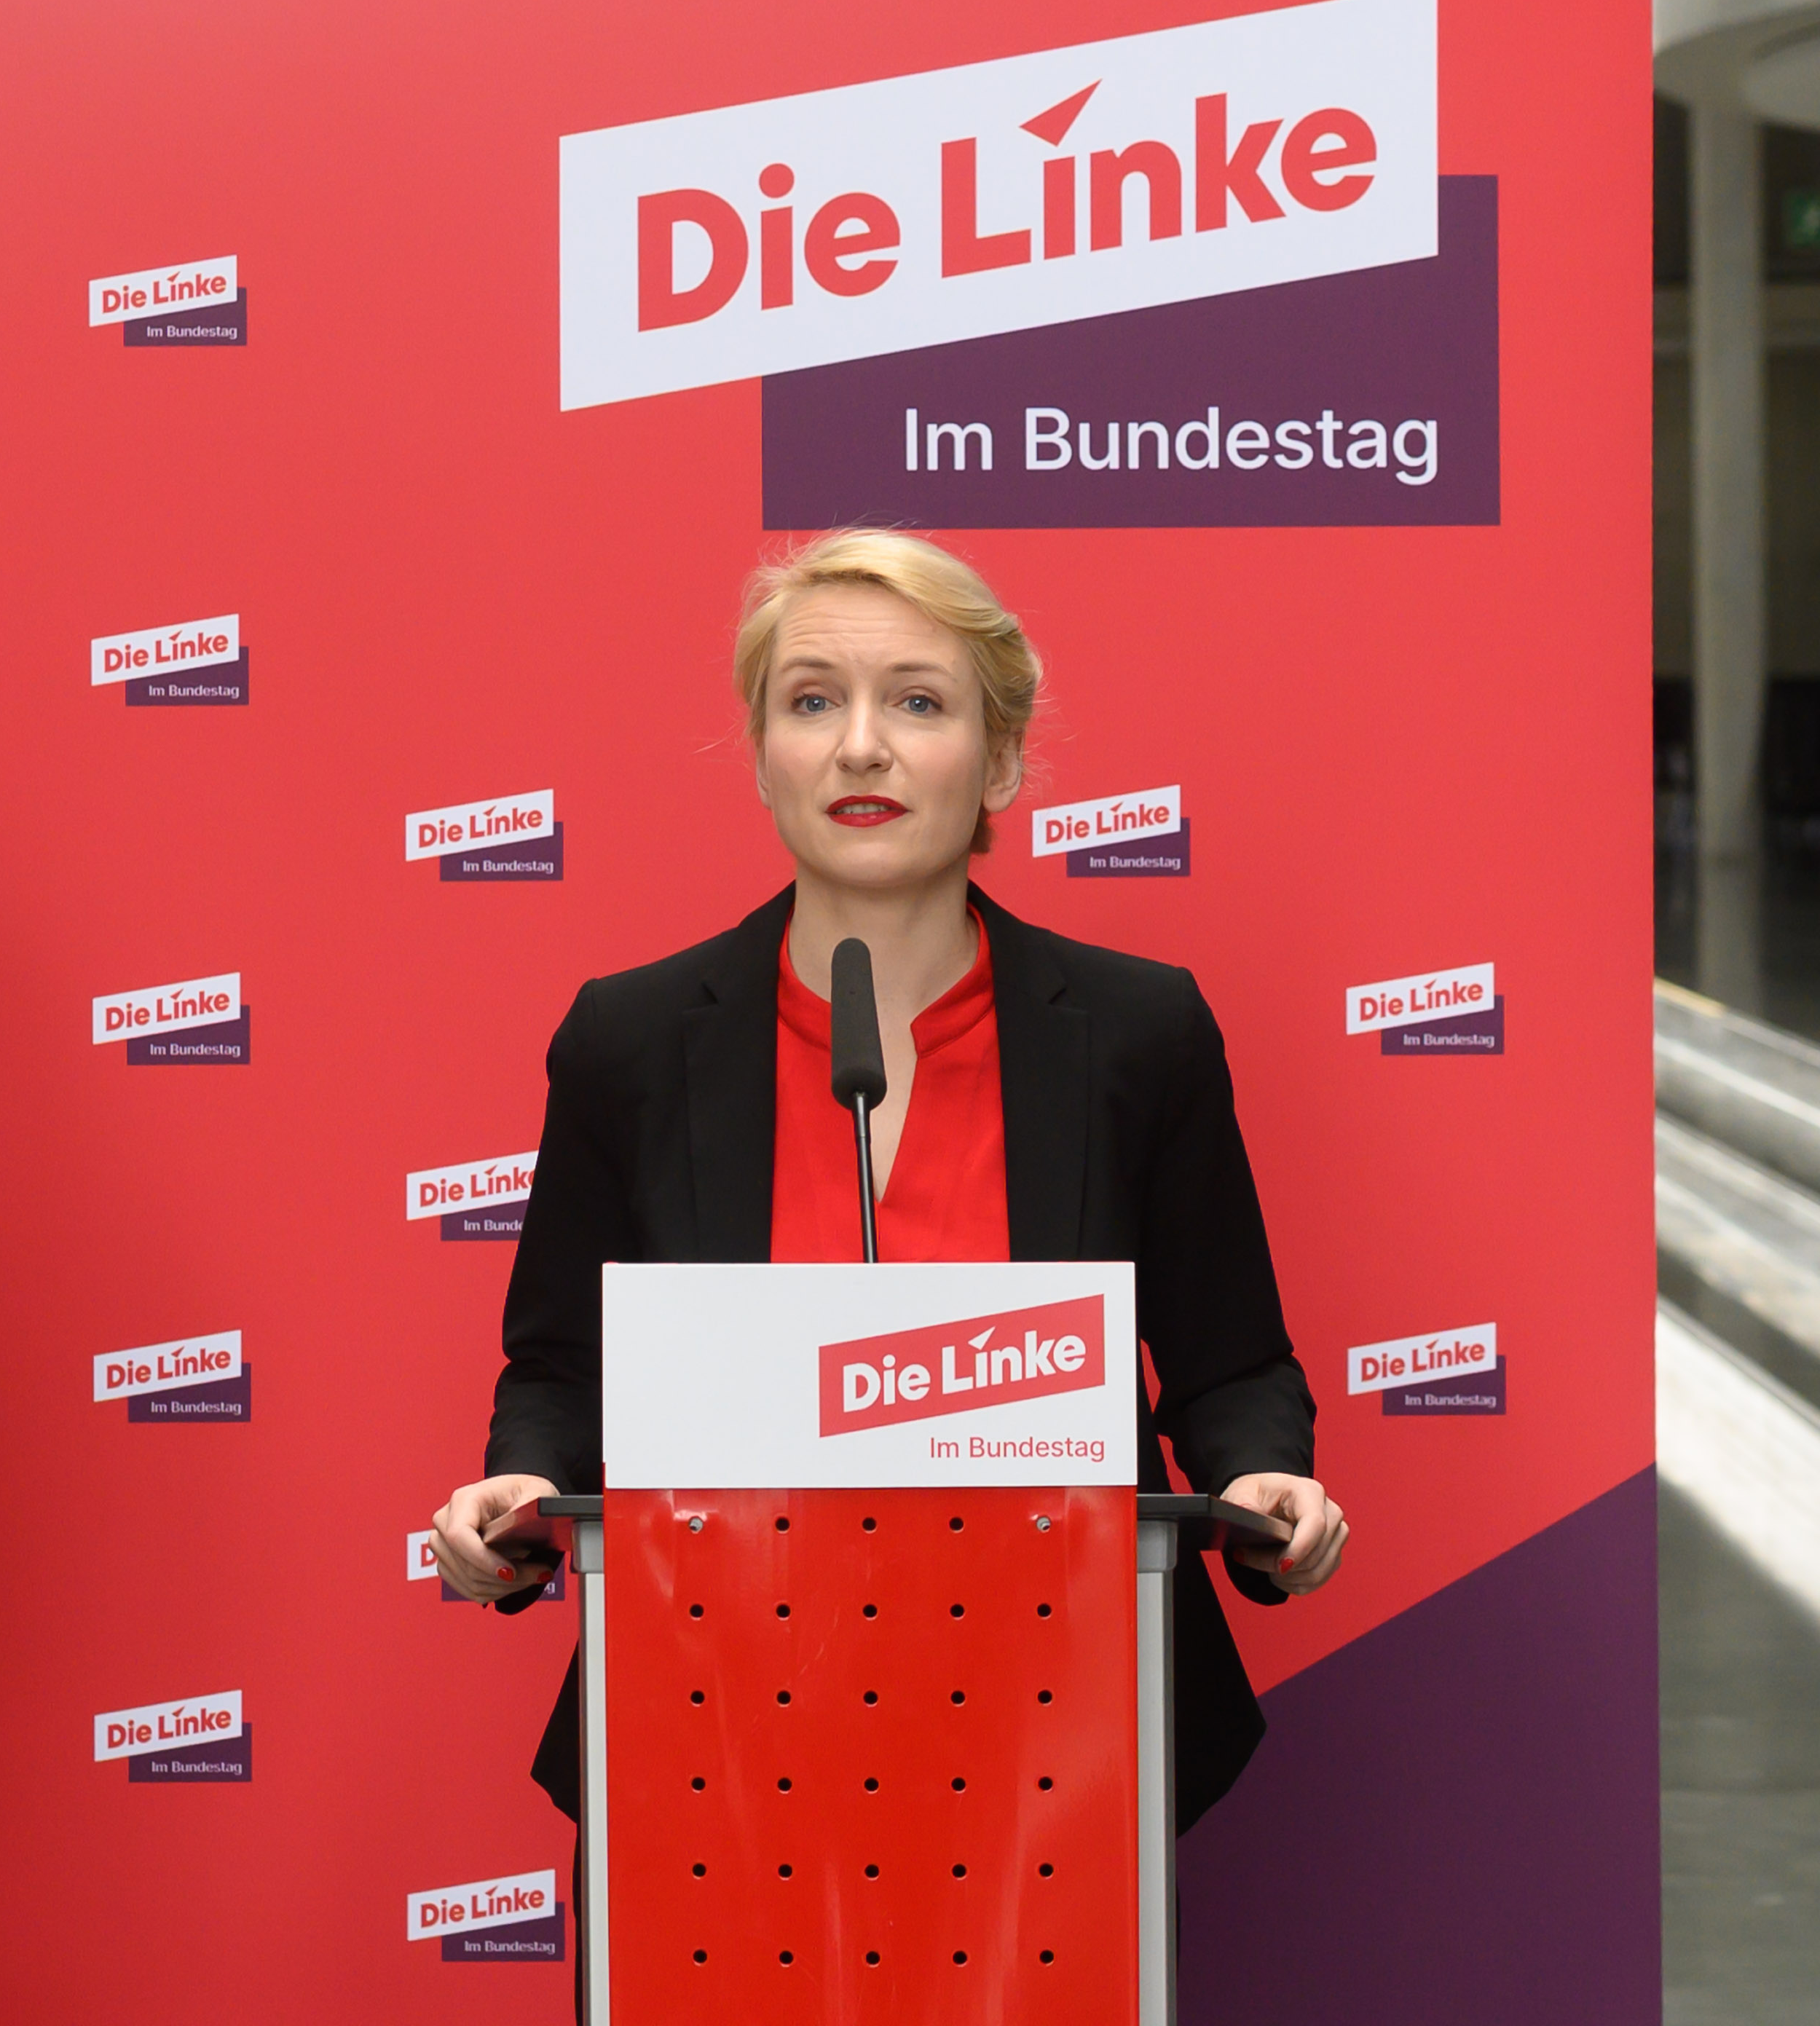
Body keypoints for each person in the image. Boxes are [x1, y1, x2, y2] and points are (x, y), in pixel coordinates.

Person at [425, 528, 1348, 1859]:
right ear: (763, 756)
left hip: (1059, 1747)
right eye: (813, 702)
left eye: (917, 701)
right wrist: (517, 1485)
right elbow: (567, 1367)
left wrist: (1267, 1478)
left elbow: (1231, 1363)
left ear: (1001, 760)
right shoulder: (631, 1040)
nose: (861, 747)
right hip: (708, 1742)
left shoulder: (1137, 1034)